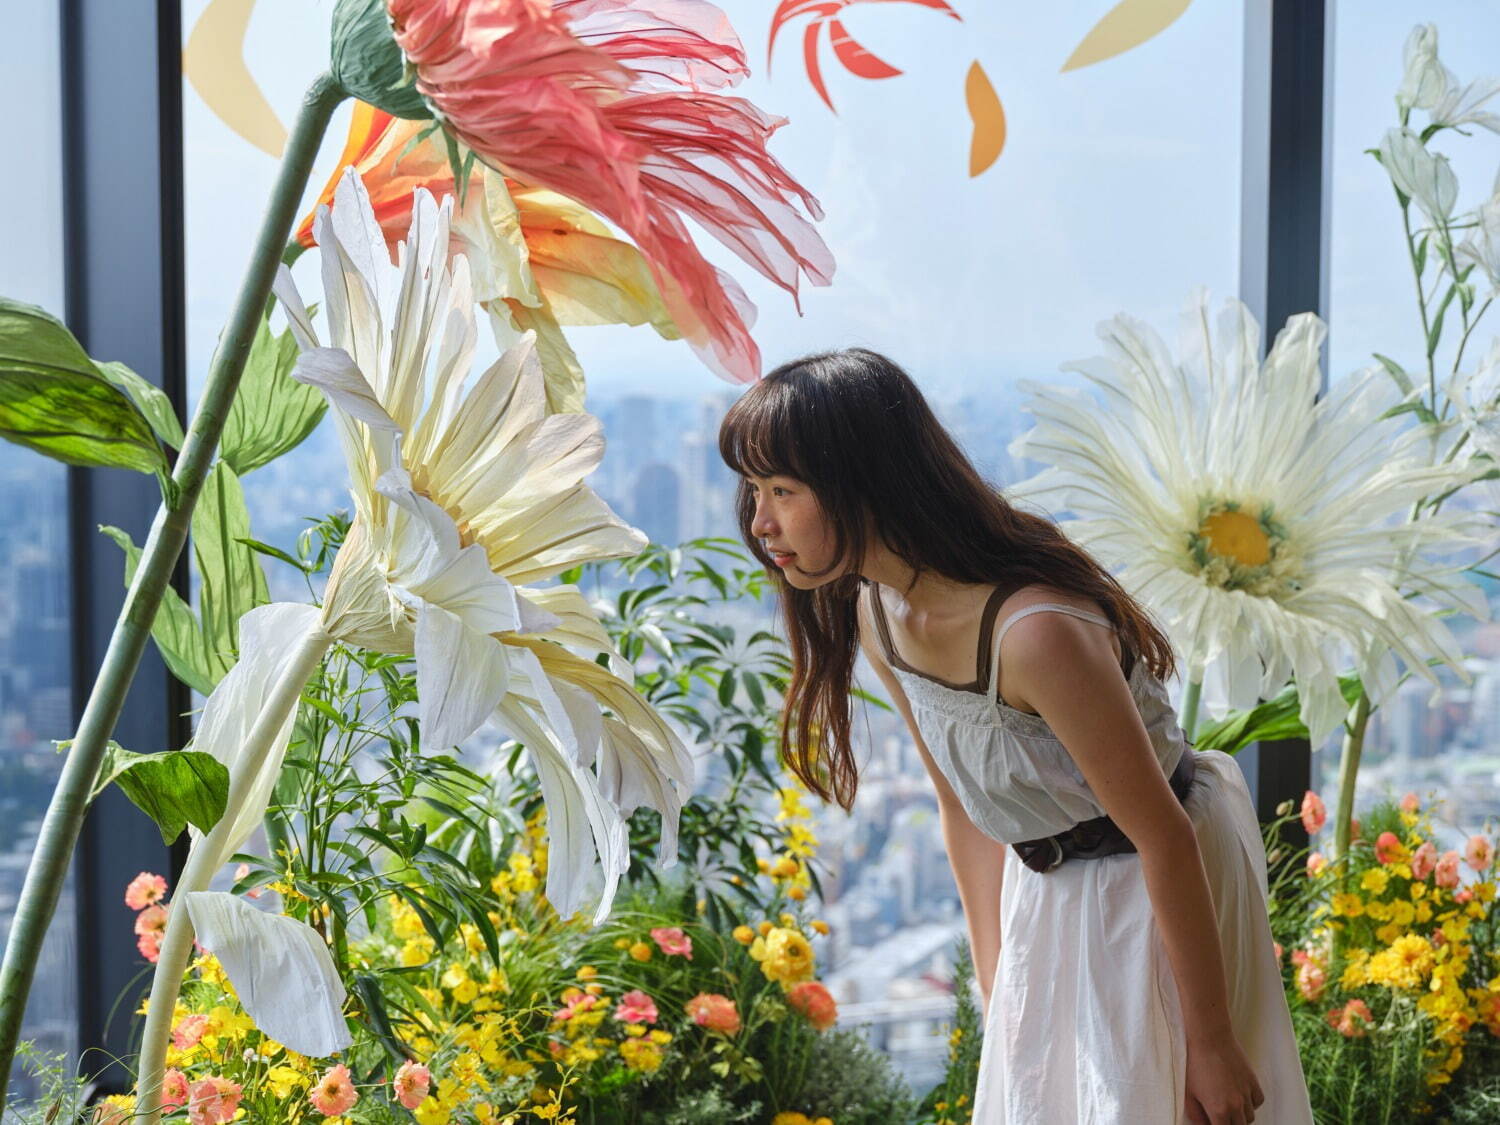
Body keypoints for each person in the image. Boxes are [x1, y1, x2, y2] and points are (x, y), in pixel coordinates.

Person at [717, 348, 1313, 1125]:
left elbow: (1162, 834)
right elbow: (961, 807)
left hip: (1154, 887)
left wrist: (1210, 1041)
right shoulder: (878, 613)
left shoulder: (1034, 635)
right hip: (1048, 887)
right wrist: (997, 984)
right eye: (756, 490)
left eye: (783, 491)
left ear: (861, 483)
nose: (761, 522)